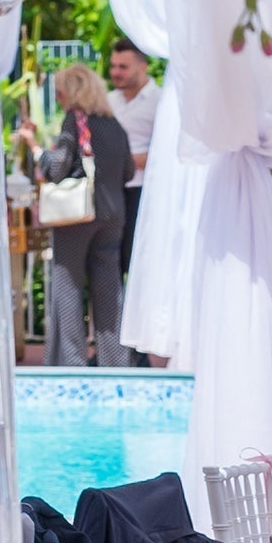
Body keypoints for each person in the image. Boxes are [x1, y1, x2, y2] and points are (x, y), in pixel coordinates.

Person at [38, 62, 134, 366]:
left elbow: (57, 168)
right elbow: (129, 171)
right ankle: (115, 362)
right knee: (109, 292)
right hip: (113, 216)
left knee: (67, 287)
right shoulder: (115, 124)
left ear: (71, 92)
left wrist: (39, 154)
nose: (59, 99)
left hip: (77, 217)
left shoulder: (74, 121)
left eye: (59, 93)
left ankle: (71, 363)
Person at [106, 36, 160, 359]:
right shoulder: (108, 101)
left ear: (143, 66)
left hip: (145, 195)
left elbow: (173, 151)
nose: (116, 72)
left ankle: (142, 351)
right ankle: (116, 350)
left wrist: (133, 161)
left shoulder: (162, 100)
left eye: (123, 67)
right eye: (113, 66)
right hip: (112, 196)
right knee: (113, 271)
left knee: (140, 271)